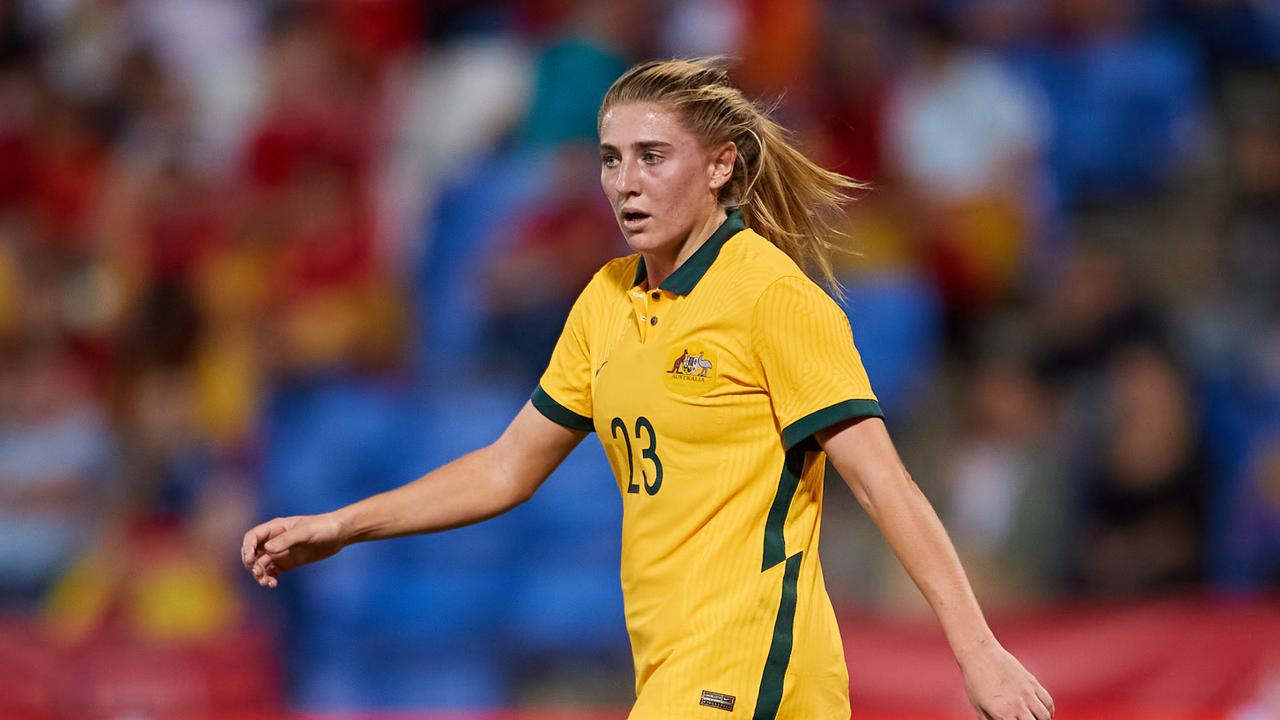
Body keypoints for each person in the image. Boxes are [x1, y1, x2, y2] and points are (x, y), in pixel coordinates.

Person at [242, 58, 1054, 720]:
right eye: (610, 158)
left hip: (752, 665)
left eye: (651, 156)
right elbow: (504, 468)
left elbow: (883, 485)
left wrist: (976, 649)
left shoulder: (771, 298)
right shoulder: (605, 300)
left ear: (719, 165)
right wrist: (341, 525)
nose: (624, 182)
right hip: (673, 671)